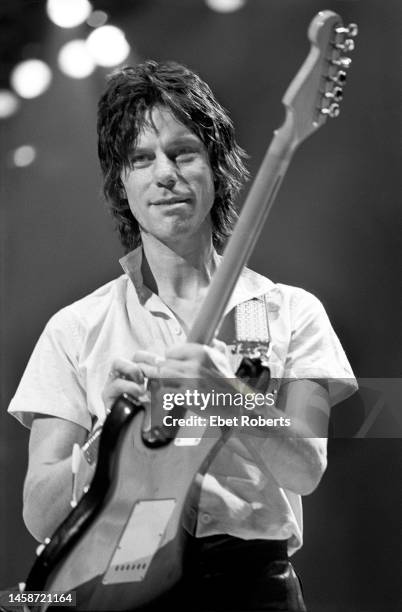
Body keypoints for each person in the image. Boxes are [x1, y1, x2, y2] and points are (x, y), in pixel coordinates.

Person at [8, 60, 357, 611]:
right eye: (141, 159)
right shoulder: (75, 328)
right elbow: (39, 512)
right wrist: (109, 441)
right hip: (128, 582)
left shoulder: (288, 311)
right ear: (121, 185)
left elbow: (306, 469)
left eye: (184, 152)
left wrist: (223, 394)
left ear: (215, 167)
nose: (165, 173)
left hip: (255, 585)